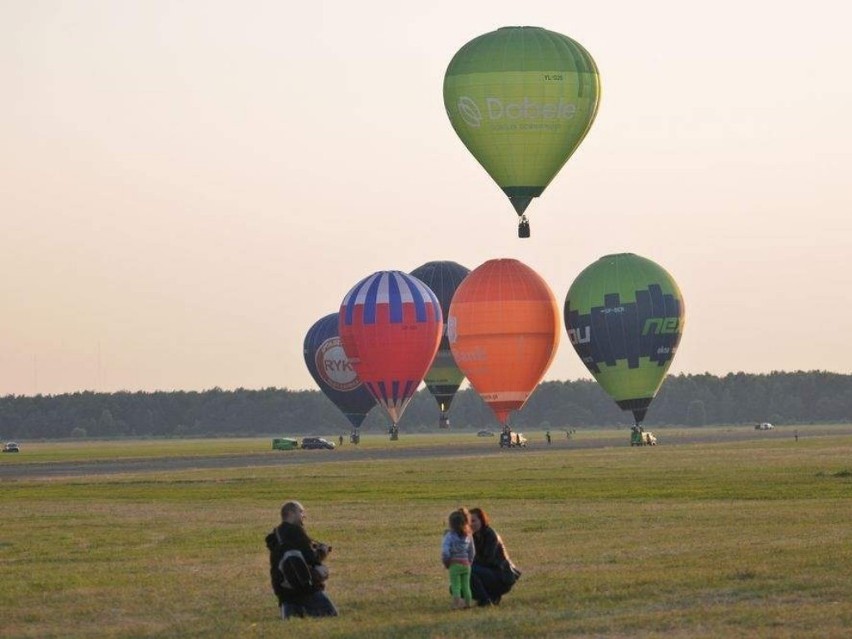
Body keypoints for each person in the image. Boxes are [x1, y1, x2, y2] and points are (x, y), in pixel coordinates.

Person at [265, 501, 339, 619]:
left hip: (284, 591)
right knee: (331, 615)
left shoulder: (277, 534)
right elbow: (311, 558)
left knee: (292, 625)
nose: (303, 516)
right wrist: (322, 552)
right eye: (301, 512)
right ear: (291, 513)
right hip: (303, 588)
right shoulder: (295, 531)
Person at [469, 507, 520, 606]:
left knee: (469, 570)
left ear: (482, 520)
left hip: (501, 576)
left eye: (473, 521)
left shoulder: (490, 535)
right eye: (468, 521)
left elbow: (488, 559)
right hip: (488, 573)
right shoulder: (473, 536)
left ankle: (486, 600)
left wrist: (467, 563)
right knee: (455, 587)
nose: (471, 524)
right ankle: (492, 596)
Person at [441, 508, 475, 609]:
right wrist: (470, 562)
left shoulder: (449, 536)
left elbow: (445, 550)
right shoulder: (469, 535)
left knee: (456, 585)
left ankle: (456, 604)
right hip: (466, 564)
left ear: (451, 524)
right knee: (466, 585)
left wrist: (446, 561)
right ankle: (468, 604)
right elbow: (472, 551)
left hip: (454, 564)